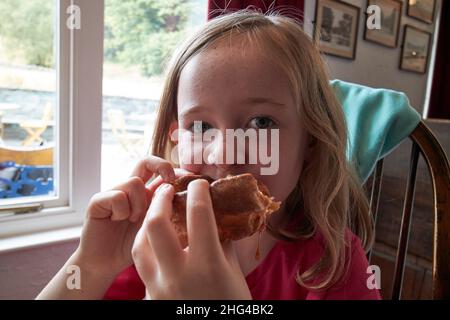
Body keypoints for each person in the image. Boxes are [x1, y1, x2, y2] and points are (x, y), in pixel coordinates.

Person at [37, 11, 381, 300]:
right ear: (176, 140)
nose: (225, 155)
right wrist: (92, 264)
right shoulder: (156, 237)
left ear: (312, 143)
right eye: (201, 126)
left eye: (261, 122)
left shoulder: (336, 267)